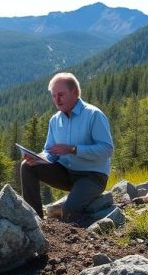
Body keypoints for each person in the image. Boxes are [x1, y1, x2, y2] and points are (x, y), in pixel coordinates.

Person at [20, 72, 113, 221]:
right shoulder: (54, 120)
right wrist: (38, 159)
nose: (57, 100)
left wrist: (73, 149)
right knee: (28, 166)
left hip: (92, 177)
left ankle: (96, 225)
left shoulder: (94, 115)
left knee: (69, 211)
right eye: (53, 96)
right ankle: (33, 221)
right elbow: (50, 152)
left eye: (61, 95)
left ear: (74, 92)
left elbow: (107, 149)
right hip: (66, 174)